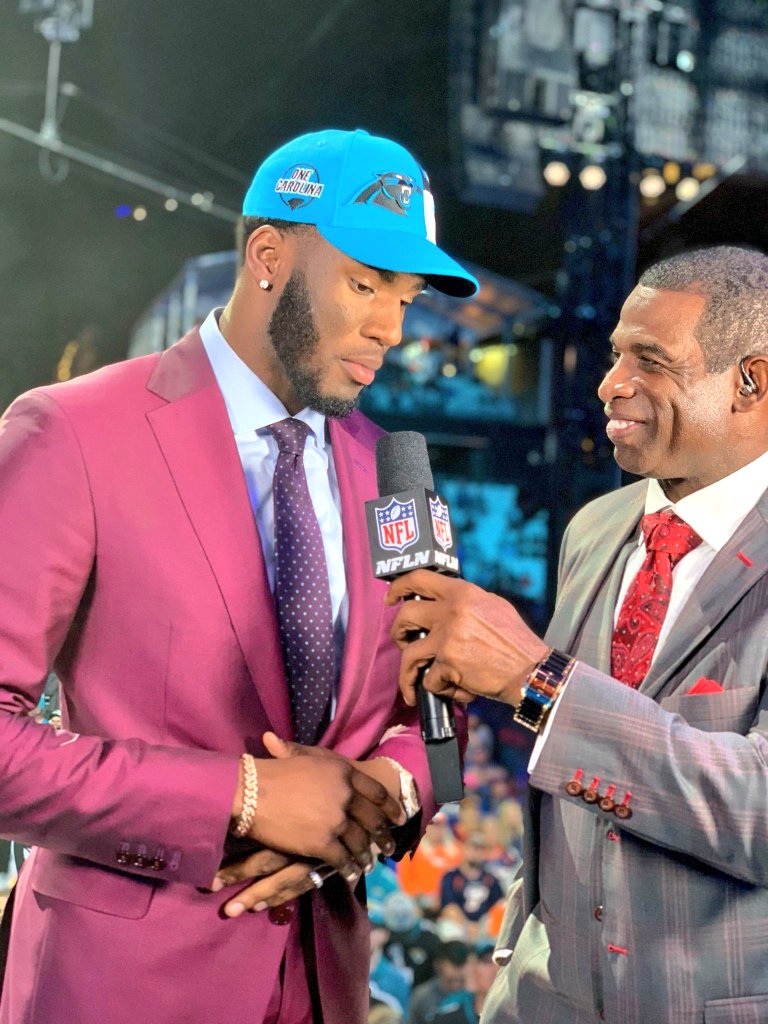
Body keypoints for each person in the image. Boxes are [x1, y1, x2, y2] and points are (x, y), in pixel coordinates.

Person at [0, 128, 478, 1024]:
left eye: (406, 297)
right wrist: (245, 797)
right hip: (124, 988)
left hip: (324, 981)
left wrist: (382, 797)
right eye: (366, 284)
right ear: (267, 256)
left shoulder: (396, 473)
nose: (392, 328)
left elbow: (433, 715)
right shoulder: (71, 431)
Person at [387, 246, 768, 1024]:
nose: (609, 384)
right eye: (616, 355)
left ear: (751, 382)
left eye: (650, 360)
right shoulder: (596, 528)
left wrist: (538, 683)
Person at [439, 834, 504, 930]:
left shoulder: (491, 878)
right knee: (448, 927)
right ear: (464, 849)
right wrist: (468, 926)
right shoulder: (451, 877)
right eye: (473, 848)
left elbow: (499, 904)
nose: (477, 853)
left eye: (481, 849)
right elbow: (449, 908)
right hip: (460, 925)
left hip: (485, 926)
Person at [408, 941, 474, 1024]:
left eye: (462, 966)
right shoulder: (423, 996)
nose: (458, 973)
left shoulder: (475, 994)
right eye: (454, 966)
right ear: (438, 965)